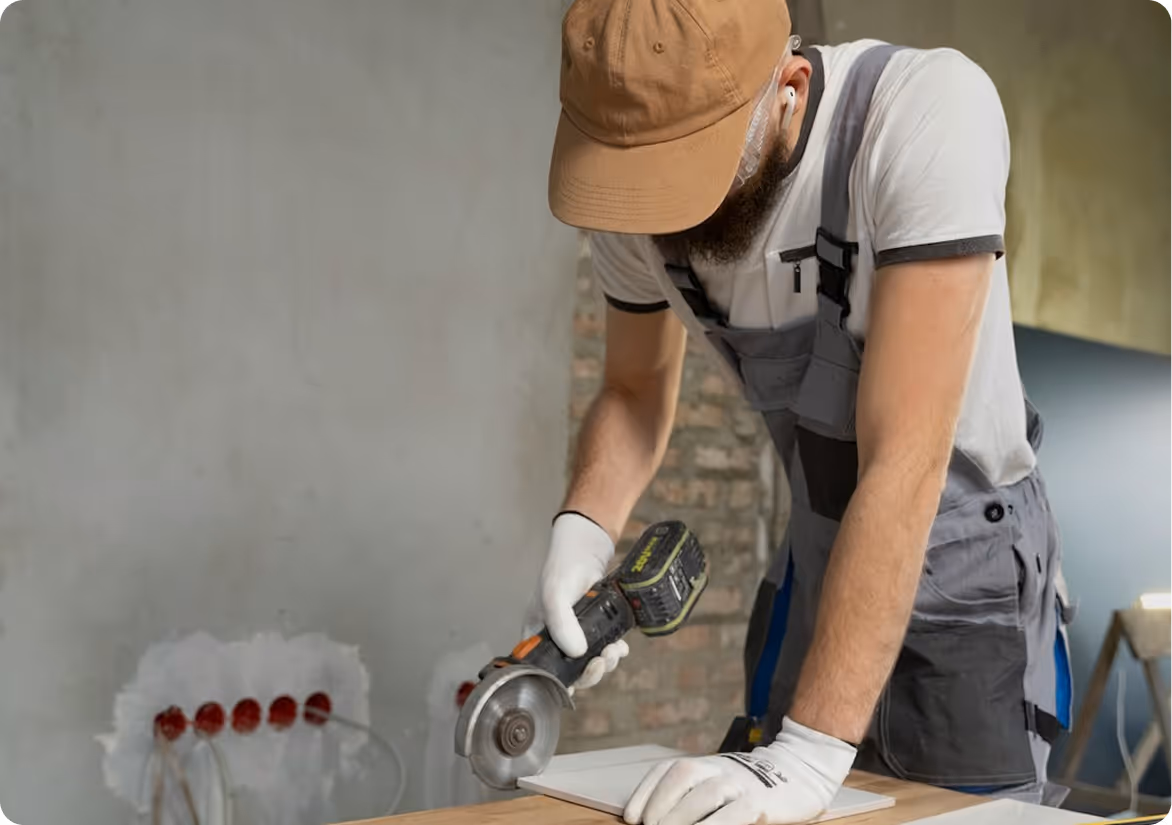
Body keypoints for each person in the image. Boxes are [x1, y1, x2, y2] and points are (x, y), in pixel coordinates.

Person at [521, 1, 1078, 824]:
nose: (661, 215)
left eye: (690, 170)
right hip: (818, 547)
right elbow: (634, 391)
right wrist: (583, 530)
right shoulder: (633, 198)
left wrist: (809, 751)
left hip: (965, 566)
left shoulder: (925, 115)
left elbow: (906, 457)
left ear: (788, 86)